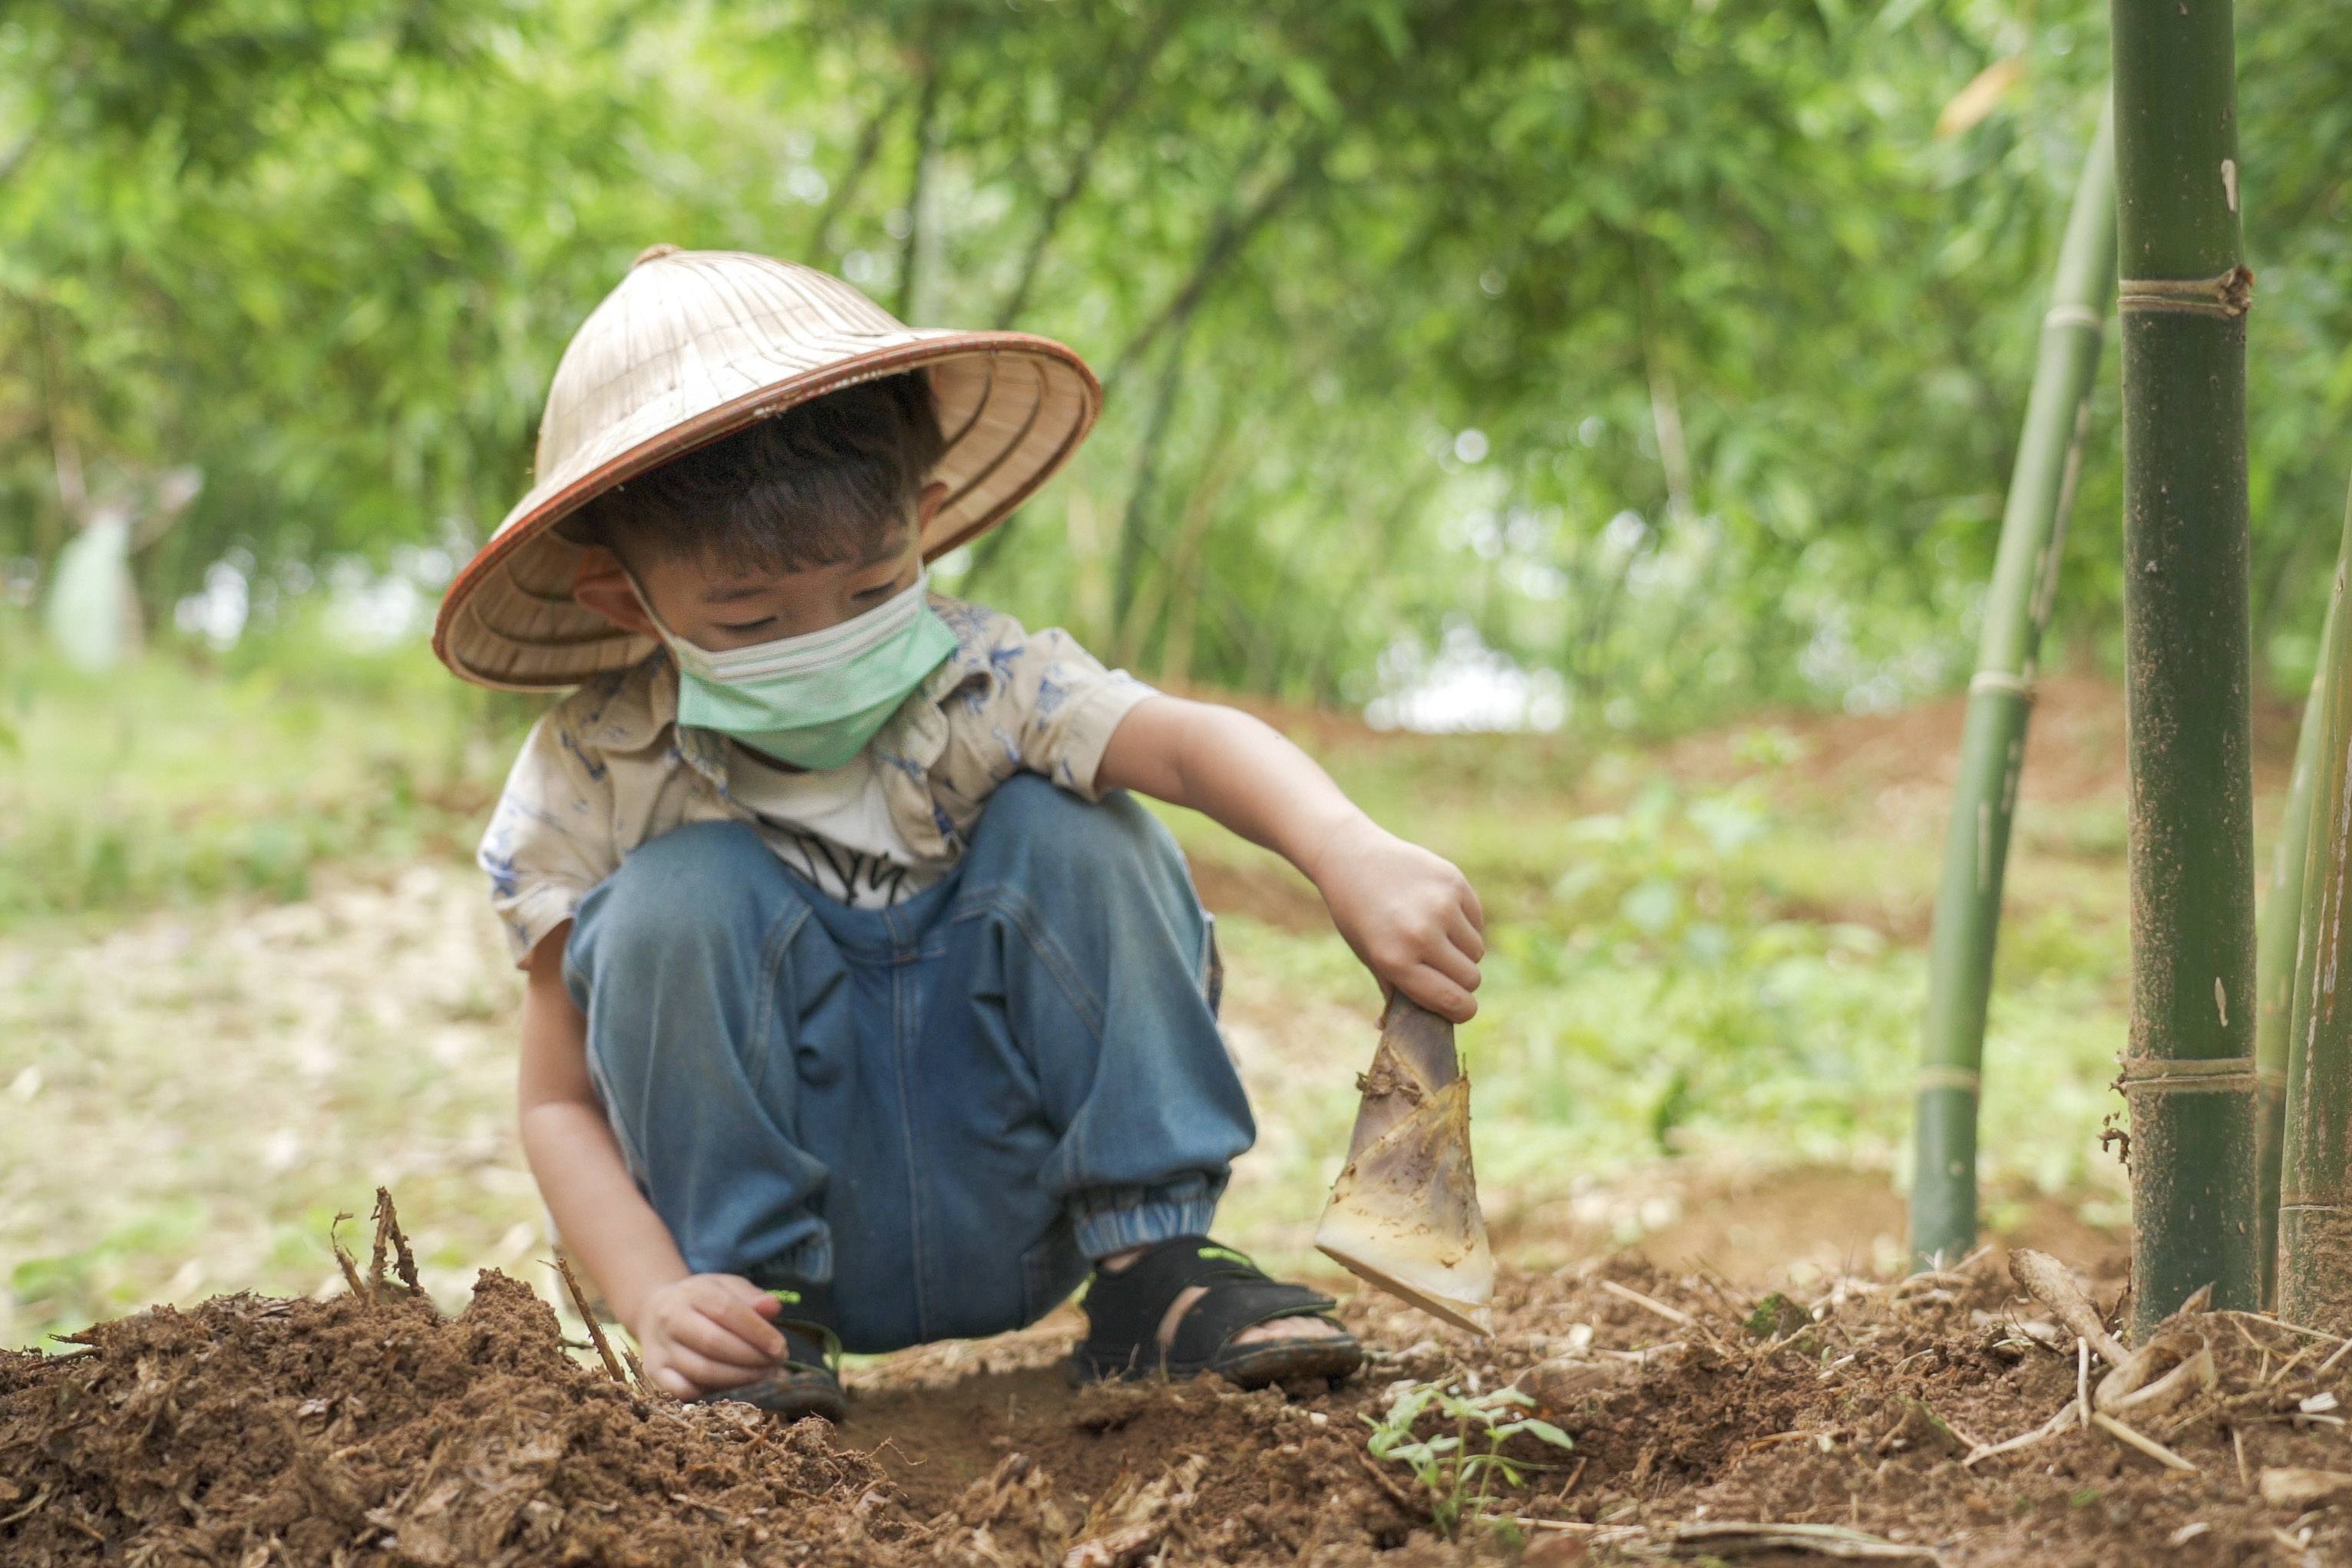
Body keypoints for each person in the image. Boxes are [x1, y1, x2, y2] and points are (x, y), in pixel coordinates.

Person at [435, 247, 1484, 1421]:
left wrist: (1348, 849)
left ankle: (1157, 1281)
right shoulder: (592, 777)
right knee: (678, 896)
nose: (823, 637)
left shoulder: (986, 688)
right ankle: (759, 1331)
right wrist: (655, 1297)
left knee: (1078, 821)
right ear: (629, 603)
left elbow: (1188, 745)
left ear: (923, 527)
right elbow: (557, 1100)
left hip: (1021, 1194)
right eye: (751, 617)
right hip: (765, 1270)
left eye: (872, 590)